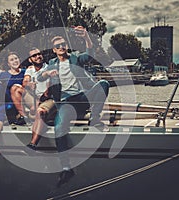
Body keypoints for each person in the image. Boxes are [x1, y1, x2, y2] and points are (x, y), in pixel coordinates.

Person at [37, 26, 110, 186]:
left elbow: (90, 55)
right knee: (59, 128)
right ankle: (66, 168)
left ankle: (95, 119)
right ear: (54, 50)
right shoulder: (51, 63)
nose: (61, 47)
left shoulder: (75, 58)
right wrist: (47, 73)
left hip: (81, 98)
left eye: (63, 44)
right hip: (65, 103)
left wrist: (86, 37)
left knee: (103, 84)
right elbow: (39, 77)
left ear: (66, 46)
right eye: (57, 46)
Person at [0, 52, 26, 152]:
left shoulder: (24, 72)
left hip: (21, 102)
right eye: (12, 60)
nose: (15, 61)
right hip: (8, 103)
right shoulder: (4, 74)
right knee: (1, 109)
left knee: (2, 111)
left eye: (16, 58)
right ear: (8, 64)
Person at [22, 47, 56, 150]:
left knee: (40, 111)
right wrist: (29, 84)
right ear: (30, 59)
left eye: (39, 54)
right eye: (34, 55)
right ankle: (23, 116)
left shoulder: (49, 67)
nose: (38, 57)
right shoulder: (30, 69)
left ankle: (32, 144)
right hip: (34, 98)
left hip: (47, 100)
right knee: (16, 88)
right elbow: (25, 81)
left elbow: (51, 87)